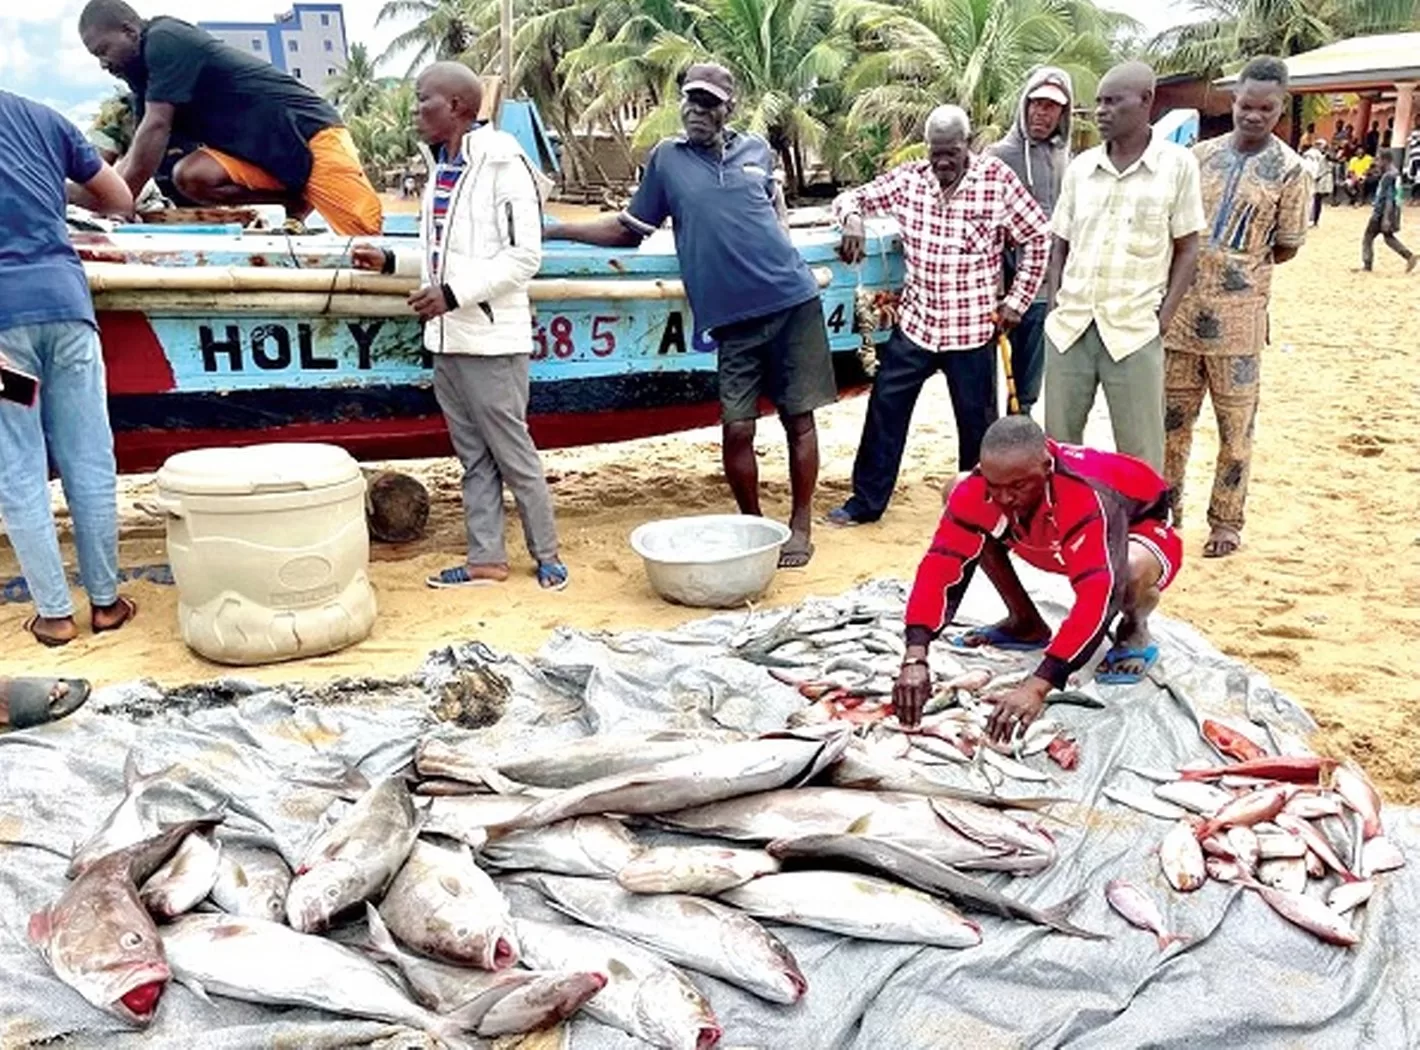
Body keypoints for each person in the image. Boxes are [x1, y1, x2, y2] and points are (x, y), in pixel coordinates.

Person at [545, 62, 834, 567]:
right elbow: (629, 230)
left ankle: (800, 526)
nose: (697, 111)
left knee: (799, 419)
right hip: (731, 320)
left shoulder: (757, 151)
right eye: (690, 101)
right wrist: (557, 230)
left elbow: (774, 211)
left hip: (792, 300)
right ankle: (754, 527)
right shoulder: (667, 159)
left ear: (729, 108)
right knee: (738, 428)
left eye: (709, 103)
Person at [352, 63, 568, 590]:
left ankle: (548, 557)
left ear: (456, 107)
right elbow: (441, 259)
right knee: (473, 458)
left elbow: (524, 257)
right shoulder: (443, 170)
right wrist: (390, 261)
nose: (415, 109)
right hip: (448, 338)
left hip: (491, 341)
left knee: (514, 456)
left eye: (423, 98)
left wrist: (451, 295)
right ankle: (485, 559)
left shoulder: (502, 163)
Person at [824, 105, 1050, 526]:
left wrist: (1018, 300)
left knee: (977, 426)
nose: (943, 162)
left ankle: (979, 509)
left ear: (968, 145)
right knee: (885, 411)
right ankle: (866, 503)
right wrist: (852, 219)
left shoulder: (996, 180)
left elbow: (1038, 236)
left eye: (952, 152)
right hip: (917, 325)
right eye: (936, 153)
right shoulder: (909, 180)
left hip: (972, 330)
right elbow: (851, 197)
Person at [892, 416, 1182, 736]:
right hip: (1056, 535)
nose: (1004, 497)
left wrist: (1040, 683)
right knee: (959, 493)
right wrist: (915, 653)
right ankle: (1025, 623)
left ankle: (1134, 628)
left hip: (1130, 530)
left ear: (1046, 467)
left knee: (1128, 570)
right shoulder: (986, 486)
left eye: (1018, 486)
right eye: (994, 486)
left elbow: (1099, 594)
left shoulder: (1085, 492)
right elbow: (940, 564)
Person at [0, 90, 137, 647]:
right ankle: (106, 603)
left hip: (3, 334)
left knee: (18, 465)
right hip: (66, 308)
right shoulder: (43, 118)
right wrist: (50, 187)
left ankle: (54, 616)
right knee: (89, 458)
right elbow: (119, 197)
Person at [1163, 56, 1308, 560]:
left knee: (1235, 431)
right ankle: (1165, 514)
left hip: (1240, 325)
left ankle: (1226, 521)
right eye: (1246, 105)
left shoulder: (1291, 171)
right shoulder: (1197, 158)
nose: (1253, 115)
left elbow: (1287, 245)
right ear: (1234, 101)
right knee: (1170, 425)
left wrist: (1237, 267)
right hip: (1180, 317)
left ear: (1280, 107)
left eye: (1266, 108)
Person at [77, 0, 382, 235]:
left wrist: (118, 205)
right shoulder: (142, 78)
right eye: (95, 57)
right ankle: (293, 198)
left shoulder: (165, 39)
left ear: (130, 31)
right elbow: (139, 153)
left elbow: (156, 127)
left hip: (307, 134)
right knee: (192, 176)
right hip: (260, 153)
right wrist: (107, 202)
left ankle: (309, 193)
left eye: (104, 50)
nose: (103, 63)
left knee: (366, 239)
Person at [1043, 61, 1205, 472]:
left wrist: (1162, 319)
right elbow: (1059, 243)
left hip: (1134, 329)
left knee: (1140, 455)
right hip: (1071, 327)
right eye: (1099, 102)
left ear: (1146, 100)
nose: (1101, 111)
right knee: (1059, 450)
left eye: (1113, 101)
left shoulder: (1177, 166)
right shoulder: (1081, 168)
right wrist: (1054, 304)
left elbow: (1188, 248)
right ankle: (1067, 513)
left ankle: (1142, 517)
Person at [987, 67, 1075, 417]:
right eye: (1036, 104)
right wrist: (999, 289)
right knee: (987, 379)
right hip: (1004, 287)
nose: (1041, 113)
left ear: (1063, 113)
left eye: (1051, 107)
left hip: (1045, 286)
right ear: (1024, 105)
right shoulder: (997, 156)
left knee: (1028, 381)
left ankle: (1020, 426)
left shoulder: (1064, 157)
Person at [1361, 148, 1416, 274]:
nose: (1377, 163)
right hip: (1392, 210)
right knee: (1388, 237)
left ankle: (1367, 264)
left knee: (1368, 237)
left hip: (1381, 212)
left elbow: (1389, 198)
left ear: (1385, 160)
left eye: (1379, 159)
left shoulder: (1388, 176)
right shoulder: (1395, 173)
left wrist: (1385, 218)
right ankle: (1408, 256)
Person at [1303, 137, 1333, 226]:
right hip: (1312, 178)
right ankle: (1308, 219)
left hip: (1318, 179)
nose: (1324, 148)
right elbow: (1309, 167)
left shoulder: (1321, 155)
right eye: (1323, 146)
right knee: (1310, 199)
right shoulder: (1310, 154)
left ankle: (1313, 219)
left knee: (1316, 200)